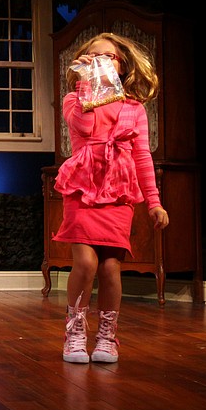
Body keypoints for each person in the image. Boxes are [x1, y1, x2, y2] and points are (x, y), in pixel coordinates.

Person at [53, 32, 170, 364]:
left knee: (110, 267)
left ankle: (107, 337)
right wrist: (87, 84)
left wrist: (154, 201)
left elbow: (143, 157)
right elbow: (86, 127)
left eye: (109, 57)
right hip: (82, 186)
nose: (101, 61)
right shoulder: (74, 100)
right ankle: (75, 332)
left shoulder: (134, 109)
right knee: (86, 262)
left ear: (122, 66)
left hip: (118, 190)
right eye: (93, 57)